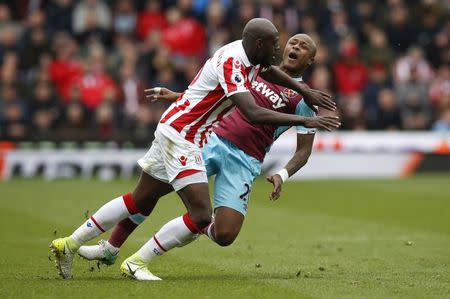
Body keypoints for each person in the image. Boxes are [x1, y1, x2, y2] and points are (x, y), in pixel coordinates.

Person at [50, 18, 340, 279]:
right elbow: (249, 109)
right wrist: (306, 117)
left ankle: (77, 244)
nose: (288, 46)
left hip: (241, 157)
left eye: (301, 46)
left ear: (311, 59)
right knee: (195, 212)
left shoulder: (258, 60)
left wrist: (284, 168)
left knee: (218, 231)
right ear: (261, 44)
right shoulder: (240, 63)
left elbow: (298, 145)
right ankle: (131, 258)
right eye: (287, 42)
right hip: (203, 139)